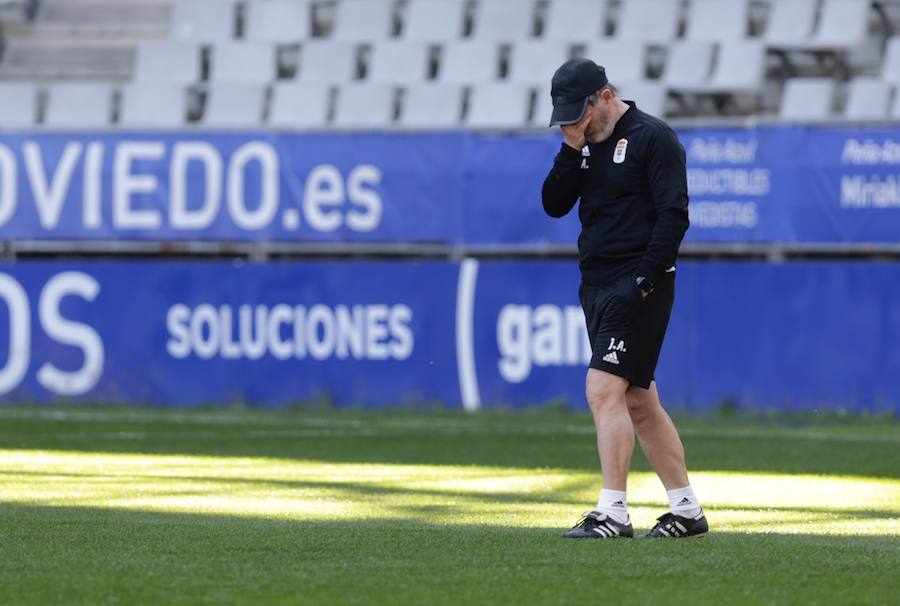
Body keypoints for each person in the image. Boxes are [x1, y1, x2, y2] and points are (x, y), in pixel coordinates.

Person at [541, 58, 708, 539]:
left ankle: (612, 511)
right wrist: (570, 150)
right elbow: (553, 204)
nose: (577, 123)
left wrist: (645, 280)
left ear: (606, 96)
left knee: (602, 390)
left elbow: (673, 216)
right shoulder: (581, 145)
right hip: (595, 282)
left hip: (638, 282)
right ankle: (687, 510)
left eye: (581, 113)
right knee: (638, 400)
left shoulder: (654, 138)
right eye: (567, 117)